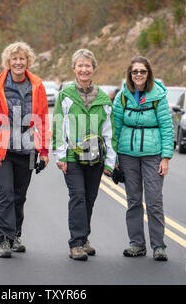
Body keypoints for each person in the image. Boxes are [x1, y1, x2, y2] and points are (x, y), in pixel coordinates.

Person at [0, 41, 50, 258]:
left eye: (22, 59)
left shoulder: (37, 85)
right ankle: (3, 240)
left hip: (27, 148)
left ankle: (15, 234)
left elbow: (43, 120)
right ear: (8, 62)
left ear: (28, 61)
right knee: (5, 193)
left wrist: (44, 151)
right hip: (0, 148)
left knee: (19, 196)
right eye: (14, 59)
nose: (18, 62)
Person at [52, 49, 117, 261]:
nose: (83, 69)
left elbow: (109, 132)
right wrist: (60, 155)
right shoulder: (66, 95)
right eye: (80, 65)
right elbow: (58, 125)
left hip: (96, 158)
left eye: (87, 65)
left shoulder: (103, 99)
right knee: (78, 196)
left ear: (93, 69)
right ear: (74, 69)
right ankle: (76, 243)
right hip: (72, 156)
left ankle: (84, 238)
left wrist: (110, 161)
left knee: (89, 198)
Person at [112, 56, 173, 261]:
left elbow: (166, 127)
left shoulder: (158, 96)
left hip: (153, 155)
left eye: (142, 71)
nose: (138, 75)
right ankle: (137, 244)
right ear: (130, 74)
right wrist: (115, 157)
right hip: (127, 155)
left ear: (148, 74)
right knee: (133, 200)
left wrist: (165, 158)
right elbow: (116, 127)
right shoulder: (122, 96)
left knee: (154, 201)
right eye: (135, 71)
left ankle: (159, 246)